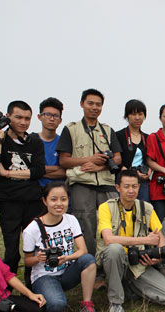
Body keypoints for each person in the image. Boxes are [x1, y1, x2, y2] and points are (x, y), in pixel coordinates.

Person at [96, 170, 165, 312]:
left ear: (139, 187)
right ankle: (116, 302)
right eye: (126, 186)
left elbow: (161, 237)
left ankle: (129, 286)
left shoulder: (146, 207)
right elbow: (109, 239)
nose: (131, 190)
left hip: (138, 262)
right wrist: (144, 240)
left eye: (134, 186)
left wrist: (158, 255)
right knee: (115, 249)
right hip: (115, 260)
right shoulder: (106, 207)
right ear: (117, 188)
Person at [56, 89, 122, 257]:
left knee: (113, 223)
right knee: (85, 224)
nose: (94, 107)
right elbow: (63, 160)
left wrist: (100, 167)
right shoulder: (71, 129)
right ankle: (90, 264)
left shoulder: (107, 130)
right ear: (82, 104)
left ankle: (110, 262)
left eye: (98, 104)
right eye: (90, 103)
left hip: (106, 184)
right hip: (82, 183)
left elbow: (118, 158)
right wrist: (89, 159)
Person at [0, 100, 45, 275]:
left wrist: (6, 173)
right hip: (8, 201)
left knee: (34, 247)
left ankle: (32, 284)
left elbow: (38, 171)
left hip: (33, 201)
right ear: (8, 117)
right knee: (11, 250)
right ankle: (7, 285)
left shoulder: (35, 143)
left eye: (27, 118)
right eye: (18, 117)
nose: (23, 122)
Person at [22, 182, 99, 312]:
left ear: (69, 200)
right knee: (57, 305)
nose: (59, 204)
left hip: (67, 270)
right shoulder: (32, 229)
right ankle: (43, 294)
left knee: (88, 260)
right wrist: (38, 258)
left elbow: (83, 250)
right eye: (53, 199)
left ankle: (87, 304)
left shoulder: (71, 219)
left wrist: (66, 258)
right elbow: (27, 261)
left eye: (63, 199)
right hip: (44, 276)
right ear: (44, 201)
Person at [115, 99, 151, 202]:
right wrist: (129, 172)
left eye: (140, 114)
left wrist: (148, 172)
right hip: (124, 182)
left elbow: (150, 160)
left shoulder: (147, 138)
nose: (137, 117)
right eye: (133, 114)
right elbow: (115, 160)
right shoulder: (119, 135)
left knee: (143, 209)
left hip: (142, 183)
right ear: (127, 116)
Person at [37, 97, 66, 187]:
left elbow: (66, 172)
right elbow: (26, 169)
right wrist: (56, 168)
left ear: (60, 120)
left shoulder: (64, 142)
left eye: (56, 116)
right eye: (48, 114)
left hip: (59, 192)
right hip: (36, 191)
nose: (52, 119)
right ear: (39, 117)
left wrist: (36, 172)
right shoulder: (31, 140)